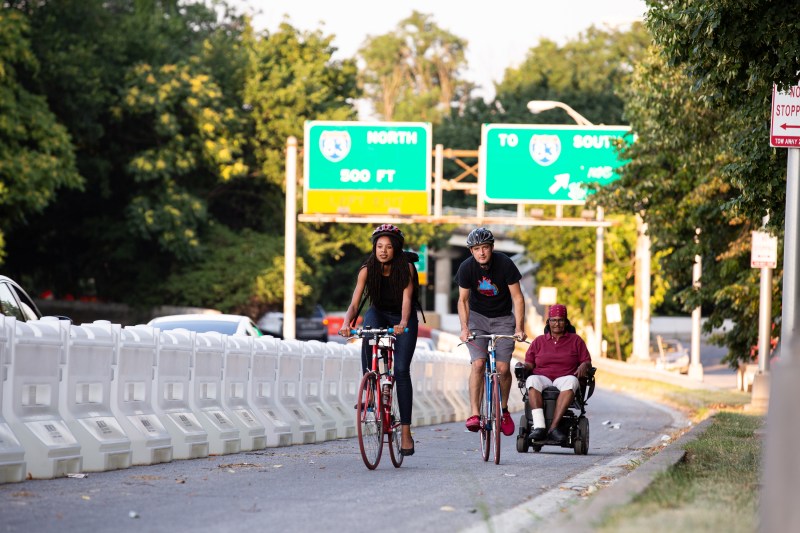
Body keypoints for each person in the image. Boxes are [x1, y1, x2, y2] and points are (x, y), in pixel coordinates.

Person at [339, 223, 419, 456]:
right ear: (375, 248)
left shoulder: (406, 268)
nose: (383, 250)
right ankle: (371, 390)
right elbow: (355, 302)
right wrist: (346, 323)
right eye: (379, 246)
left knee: (402, 370)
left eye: (389, 247)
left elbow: (407, 299)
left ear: (396, 249)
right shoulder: (367, 269)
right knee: (367, 334)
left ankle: (405, 433)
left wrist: (403, 323)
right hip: (379, 312)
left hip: (402, 316)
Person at [456, 227, 526, 436]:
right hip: (477, 319)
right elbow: (463, 300)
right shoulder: (466, 268)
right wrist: (464, 328)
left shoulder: (505, 264)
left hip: (503, 319)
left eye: (485, 248)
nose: (481, 253)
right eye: (477, 249)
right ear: (471, 251)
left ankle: (503, 410)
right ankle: (475, 413)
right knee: (478, 363)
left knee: (503, 368)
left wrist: (520, 328)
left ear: (492, 248)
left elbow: (518, 298)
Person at [522, 303, 591, 442]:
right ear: (548, 322)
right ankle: (540, 427)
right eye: (553, 320)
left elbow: (587, 361)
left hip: (565, 377)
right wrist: (522, 367)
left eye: (560, 320)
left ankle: (554, 428)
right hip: (543, 377)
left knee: (572, 381)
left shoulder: (576, 340)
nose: (557, 324)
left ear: (566, 322)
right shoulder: (539, 341)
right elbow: (529, 363)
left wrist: (584, 365)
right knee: (532, 380)